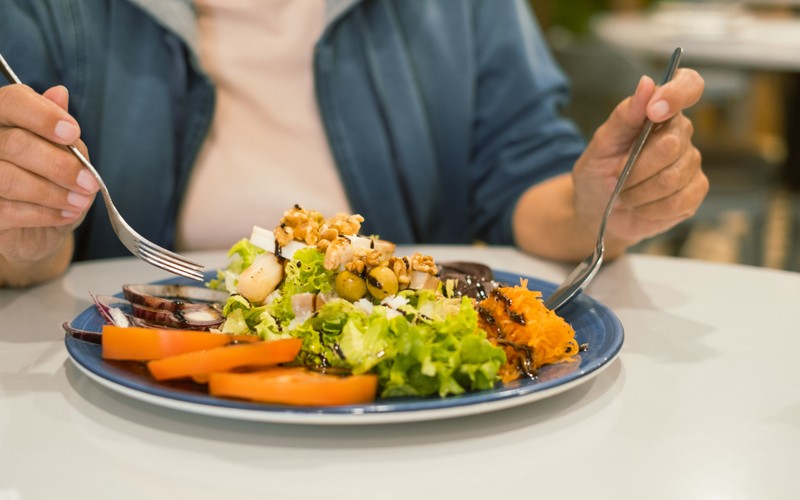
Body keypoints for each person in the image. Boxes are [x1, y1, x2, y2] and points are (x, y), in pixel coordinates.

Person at [0, 0, 707, 288]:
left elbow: (521, 183)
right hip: (124, 417)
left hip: (414, 426)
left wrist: (602, 203)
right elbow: (38, 243)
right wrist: (25, 235)